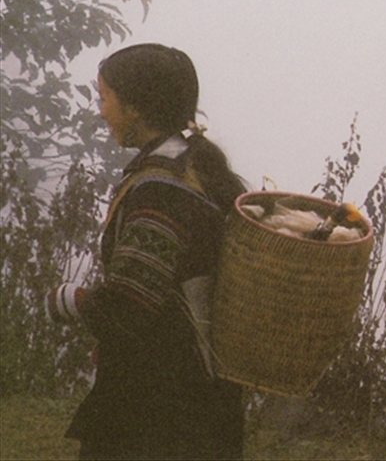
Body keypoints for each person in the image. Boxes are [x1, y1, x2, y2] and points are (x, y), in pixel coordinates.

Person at [46, 43, 246, 460]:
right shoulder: (197, 161)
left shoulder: (159, 191)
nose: (100, 110)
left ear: (134, 107)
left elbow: (128, 307)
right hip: (203, 399)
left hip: (157, 414)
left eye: (105, 97)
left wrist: (67, 299)